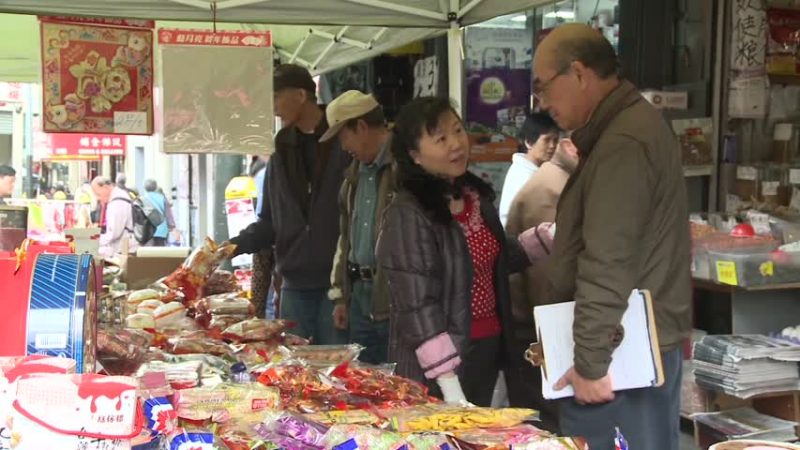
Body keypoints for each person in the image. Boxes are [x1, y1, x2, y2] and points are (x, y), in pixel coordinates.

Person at [532, 24, 691, 450]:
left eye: (543, 87)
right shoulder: (625, 128)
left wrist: (590, 362)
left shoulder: (623, 141)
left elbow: (609, 258)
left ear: (579, 73)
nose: (542, 102)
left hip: (620, 358)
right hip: (625, 346)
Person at [376, 97, 542, 407]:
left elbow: (492, 259)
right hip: (438, 368)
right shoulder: (409, 212)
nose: (456, 144)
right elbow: (416, 304)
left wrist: (547, 239)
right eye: (441, 139)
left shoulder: (474, 196)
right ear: (415, 156)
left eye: (457, 130)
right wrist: (448, 384)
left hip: (488, 349)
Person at [230, 64, 350, 345]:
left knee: (337, 373)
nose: (272, 108)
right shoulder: (281, 146)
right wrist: (232, 246)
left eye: (275, 98)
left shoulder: (342, 139)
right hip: (293, 283)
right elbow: (270, 221)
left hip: (337, 286)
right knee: (296, 375)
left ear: (300, 94)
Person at [503, 137, 580, 433]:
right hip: (539, 335)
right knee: (547, 426)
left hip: (536, 330)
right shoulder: (552, 190)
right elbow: (549, 283)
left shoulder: (558, 182)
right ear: (571, 146)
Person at [322, 90, 393, 365]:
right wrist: (340, 295)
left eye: (343, 136)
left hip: (391, 297)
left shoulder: (403, 168)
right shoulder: (353, 176)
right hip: (360, 297)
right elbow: (346, 238)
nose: (343, 146)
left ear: (361, 127)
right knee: (366, 380)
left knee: (398, 386)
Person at [498, 113, 559, 227]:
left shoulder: (532, 171)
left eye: (555, 140)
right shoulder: (524, 176)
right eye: (547, 140)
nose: (552, 146)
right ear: (529, 142)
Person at [92, 176, 138, 258]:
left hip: (124, 249)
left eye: (98, 194)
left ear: (105, 187)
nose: (98, 198)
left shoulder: (117, 202)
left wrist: (94, 240)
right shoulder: (118, 197)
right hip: (122, 247)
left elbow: (113, 234)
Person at [142, 179, 173, 247]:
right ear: (156, 187)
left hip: (147, 230)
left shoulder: (142, 199)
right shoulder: (162, 198)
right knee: (160, 253)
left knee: (148, 254)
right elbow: (168, 214)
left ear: (144, 188)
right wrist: (172, 227)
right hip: (162, 231)